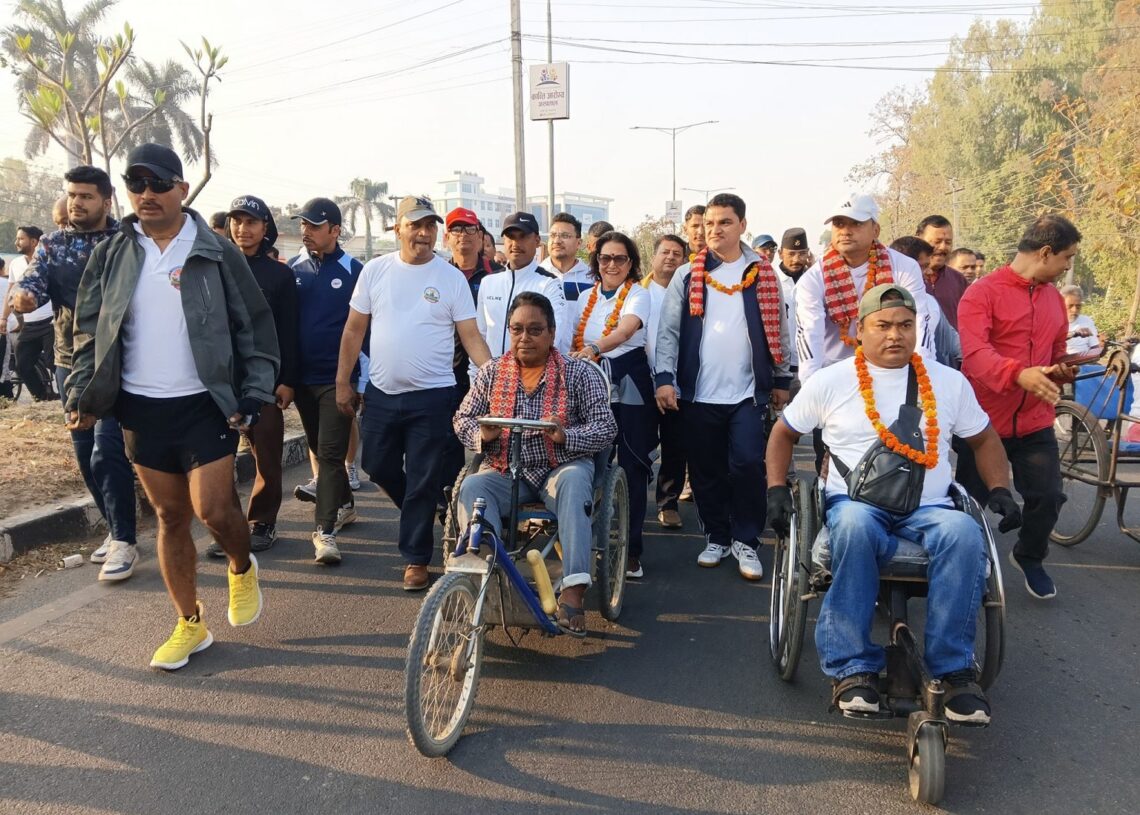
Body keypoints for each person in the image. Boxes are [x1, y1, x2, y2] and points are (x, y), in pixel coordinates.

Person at [66, 142, 279, 670]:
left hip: (205, 403)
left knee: (214, 509)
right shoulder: (112, 252)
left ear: (182, 190)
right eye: (137, 185)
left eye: (159, 184)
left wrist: (255, 388)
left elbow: (253, 325)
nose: (147, 194)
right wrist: (81, 389)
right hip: (140, 405)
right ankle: (190, 624)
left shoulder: (214, 249)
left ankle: (240, 563)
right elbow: (88, 329)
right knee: (168, 515)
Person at [767, 283, 1021, 724]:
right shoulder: (831, 380)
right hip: (856, 501)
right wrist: (775, 488)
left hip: (931, 506)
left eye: (905, 325)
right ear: (859, 331)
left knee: (964, 534)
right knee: (855, 527)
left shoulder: (947, 381)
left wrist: (1000, 488)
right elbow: (783, 433)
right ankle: (852, 667)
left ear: (917, 329)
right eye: (882, 325)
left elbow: (983, 439)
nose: (894, 335)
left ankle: (954, 669)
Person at [337, 195, 491, 591]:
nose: (424, 233)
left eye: (429, 226)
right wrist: (344, 381)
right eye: (415, 225)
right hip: (382, 395)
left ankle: (416, 558)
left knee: (422, 479)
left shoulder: (450, 278)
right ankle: (426, 510)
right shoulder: (375, 271)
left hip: (434, 396)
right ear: (399, 228)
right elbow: (354, 330)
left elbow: (470, 336)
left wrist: (493, 380)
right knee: (376, 465)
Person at [454, 291, 617, 635]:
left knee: (574, 482)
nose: (524, 338)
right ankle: (485, 571)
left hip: (559, 468)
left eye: (534, 330)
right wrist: (483, 435)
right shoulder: (491, 373)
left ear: (551, 333)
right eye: (517, 330)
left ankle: (573, 590)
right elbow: (462, 419)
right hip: (506, 469)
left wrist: (566, 437)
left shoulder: (578, 374)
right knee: (472, 485)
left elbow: (606, 427)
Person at [8, 165, 138, 581]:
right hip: (70, 359)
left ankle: (124, 540)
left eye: (85, 195)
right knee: (85, 453)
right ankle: (115, 526)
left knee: (107, 448)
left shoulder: (126, 241)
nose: (76, 202)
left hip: (119, 360)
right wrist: (24, 296)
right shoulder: (53, 244)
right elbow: (34, 279)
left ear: (106, 199)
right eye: (71, 195)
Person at [655, 193, 792, 580]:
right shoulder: (688, 274)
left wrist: (781, 377)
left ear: (742, 226)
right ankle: (717, 535)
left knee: (749, 463)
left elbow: (777, 328)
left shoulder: (763, 273)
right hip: (698, 393)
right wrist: (665, 379)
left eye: (725, 223)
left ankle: (747, 541)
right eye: (709, 223)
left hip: (748, 393)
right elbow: (668, 332)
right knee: (706, 470)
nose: (714, 230)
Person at [956, 214, 1081, 601]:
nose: (1066, 268)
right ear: (1046, 252)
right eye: (1066, 258)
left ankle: (1029, 556)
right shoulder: (982, 294)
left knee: (1046, 497)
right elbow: (975, 356)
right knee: (969, 503)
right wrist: (1018, 374)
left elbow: (1056, 351)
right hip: (982, 424)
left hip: (1034, 421)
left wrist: (1061, 368)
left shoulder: (1053, 301)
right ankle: (968, 562)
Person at [205, 195, 298, 558]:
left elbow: (289, 332)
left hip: (265, 382)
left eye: (251, 222)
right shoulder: (212, 267)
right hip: (219, 381)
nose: (243, 229)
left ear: (266, 229)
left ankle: (262, 523)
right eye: (236, 221)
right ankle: (229, 527)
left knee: (266, 456)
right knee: (218, 456)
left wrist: (286, 379)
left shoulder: (279, 275)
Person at [570, 230, 654, 579]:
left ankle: (630, 550)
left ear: (631, 263)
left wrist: (592, 350)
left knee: (632, 465)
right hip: (590, 380)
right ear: (597, 261)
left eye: (620, 258)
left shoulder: (638, 294)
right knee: (586, 461)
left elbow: (625, 331)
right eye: (606, 258)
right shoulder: (585, 297)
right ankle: (582, 541)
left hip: (629, 379)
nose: (612, 264)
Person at [288, 196, 361, 564]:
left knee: (331, 455)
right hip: (302, 381)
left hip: (339, 379)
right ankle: (345, 502)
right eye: (303, 225)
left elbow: (366, 327)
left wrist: (356, 379)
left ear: (335, 230)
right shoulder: (293, 269)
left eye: (315, 226)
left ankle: (325, 531)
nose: (306, 232)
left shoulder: (355, 271)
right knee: (319, 447)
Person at [796, 194, 931, 385]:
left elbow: (920, 320)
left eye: (855, 224)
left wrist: (922, 374)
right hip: (834, 372)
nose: (845, 231)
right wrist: (811, 386)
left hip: (890, 369)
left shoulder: (904, 267)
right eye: (839, 224)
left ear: (875, 230)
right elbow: (810, 332)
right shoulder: (813, 278)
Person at [441, 206, 498, 492]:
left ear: (481, 237)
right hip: (446, 371)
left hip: (487, 371)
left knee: (493, 440)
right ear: (446, 237)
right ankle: (451, 503)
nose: (463, 236)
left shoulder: (498, 277)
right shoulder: (437, 275)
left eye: (470, 229)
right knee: (450, 439)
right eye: (456, 229)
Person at [476, 211, 569, 358]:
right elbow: (480, 335)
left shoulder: (549, 283)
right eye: (510, 237)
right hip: (492, 375)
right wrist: (478, 374)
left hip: (532, 376)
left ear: (537, 241)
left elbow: (553, 337)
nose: (515, 244)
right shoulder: (488, 281)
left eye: (523, 237)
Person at [644, 234, 688, 529]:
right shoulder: (638, 293)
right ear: (653, 258)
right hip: (642, 379)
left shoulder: (691, 292)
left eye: (676, 254)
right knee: (641, 444)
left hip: (675, 381)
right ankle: (631, 498)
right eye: (665, 252)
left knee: (675, 445)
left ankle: (668, 502)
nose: (670, 258)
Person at [890, 236, 961, 369]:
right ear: (904, 267)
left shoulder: (930, 302)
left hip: (928, 378)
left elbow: (954, 344)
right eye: (923, 267)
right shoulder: (875, 303)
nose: (929, 272)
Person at [5, 225, 54, 401]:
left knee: (54, 363)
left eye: (21, 239)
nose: (16, 242)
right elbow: (11, 294)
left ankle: (70, 398)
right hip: (29, 324)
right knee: (22, 364)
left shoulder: (50, 260)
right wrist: (4, 318)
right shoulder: (16, 264)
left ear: (34, 241)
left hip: (51, 322)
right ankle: (43, 397)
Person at [916, 215, 969, 329]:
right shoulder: (905, 277)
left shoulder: (958, 280)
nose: (943, 247)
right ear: (919, 240)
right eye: (937, 241)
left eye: (948, 242)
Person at [776, 227, 812, 376]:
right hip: (781, 368)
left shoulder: (814, 281)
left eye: (802, 253)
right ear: (780, 253)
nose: (796, 260)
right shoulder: (771, 281)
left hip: (811, 364)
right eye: (791, 254)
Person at [541, 212, 593, 302]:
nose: (557, 241)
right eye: (553, 235)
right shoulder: (537, 275)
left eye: (565, 236)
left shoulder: (591, 278)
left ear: (579, 243)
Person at [1060, 284, 1101, 356]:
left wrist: (1103, 348)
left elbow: (1095, 347)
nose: (1074, 310)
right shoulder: (1054, 322)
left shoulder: (1087, 321)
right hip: (1063, 362)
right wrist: (1074, 333)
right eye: (1070, 306)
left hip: (1085, 361)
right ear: (1061, 305)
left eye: (1078, 306)